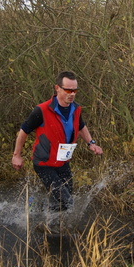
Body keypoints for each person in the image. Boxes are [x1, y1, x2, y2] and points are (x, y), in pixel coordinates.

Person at [12, 71, 103, 212]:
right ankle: (40, 216)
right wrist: (17, 155)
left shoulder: (76, 109)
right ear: (57, 88)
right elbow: (23, 131)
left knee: (64, 199)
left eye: (74, 90)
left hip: (62, 161)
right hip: (44, 163)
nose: (72, 94)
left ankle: (41, 213)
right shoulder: (41, 110)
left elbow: (81, 126)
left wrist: (91, 143)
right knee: (66, 200)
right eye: (68, 90)